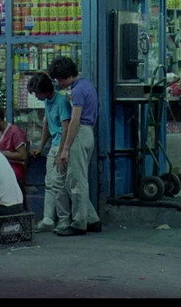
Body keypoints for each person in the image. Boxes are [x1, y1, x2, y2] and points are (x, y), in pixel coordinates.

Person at [46, 56, 102, 236]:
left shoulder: (77, 91)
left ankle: (79, 223)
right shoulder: (87, 86)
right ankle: (91, 219)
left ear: (67, 76)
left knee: (76, 182)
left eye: (60, 79)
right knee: (76, 178)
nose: (59, 83)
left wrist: (65, 148)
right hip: (88, 132)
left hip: (79, 133)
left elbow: (75, 120)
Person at [27, 72, 71, 233]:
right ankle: (48, 219)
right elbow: (46, 125)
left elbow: (66, 127)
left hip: (61, 145)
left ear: (45, 90)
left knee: (58, 184)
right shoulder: (48, 102)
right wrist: (40, 147)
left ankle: (64, 220)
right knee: (50, 183)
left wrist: (61, 152)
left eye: (37, 93)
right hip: (54, 145)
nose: (36, 96)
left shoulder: (61, 101)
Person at [0, 103, 29, 184]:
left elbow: (23, 155)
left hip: (14, 166)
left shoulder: (15, 132)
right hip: (0, 165)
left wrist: (0, 152)